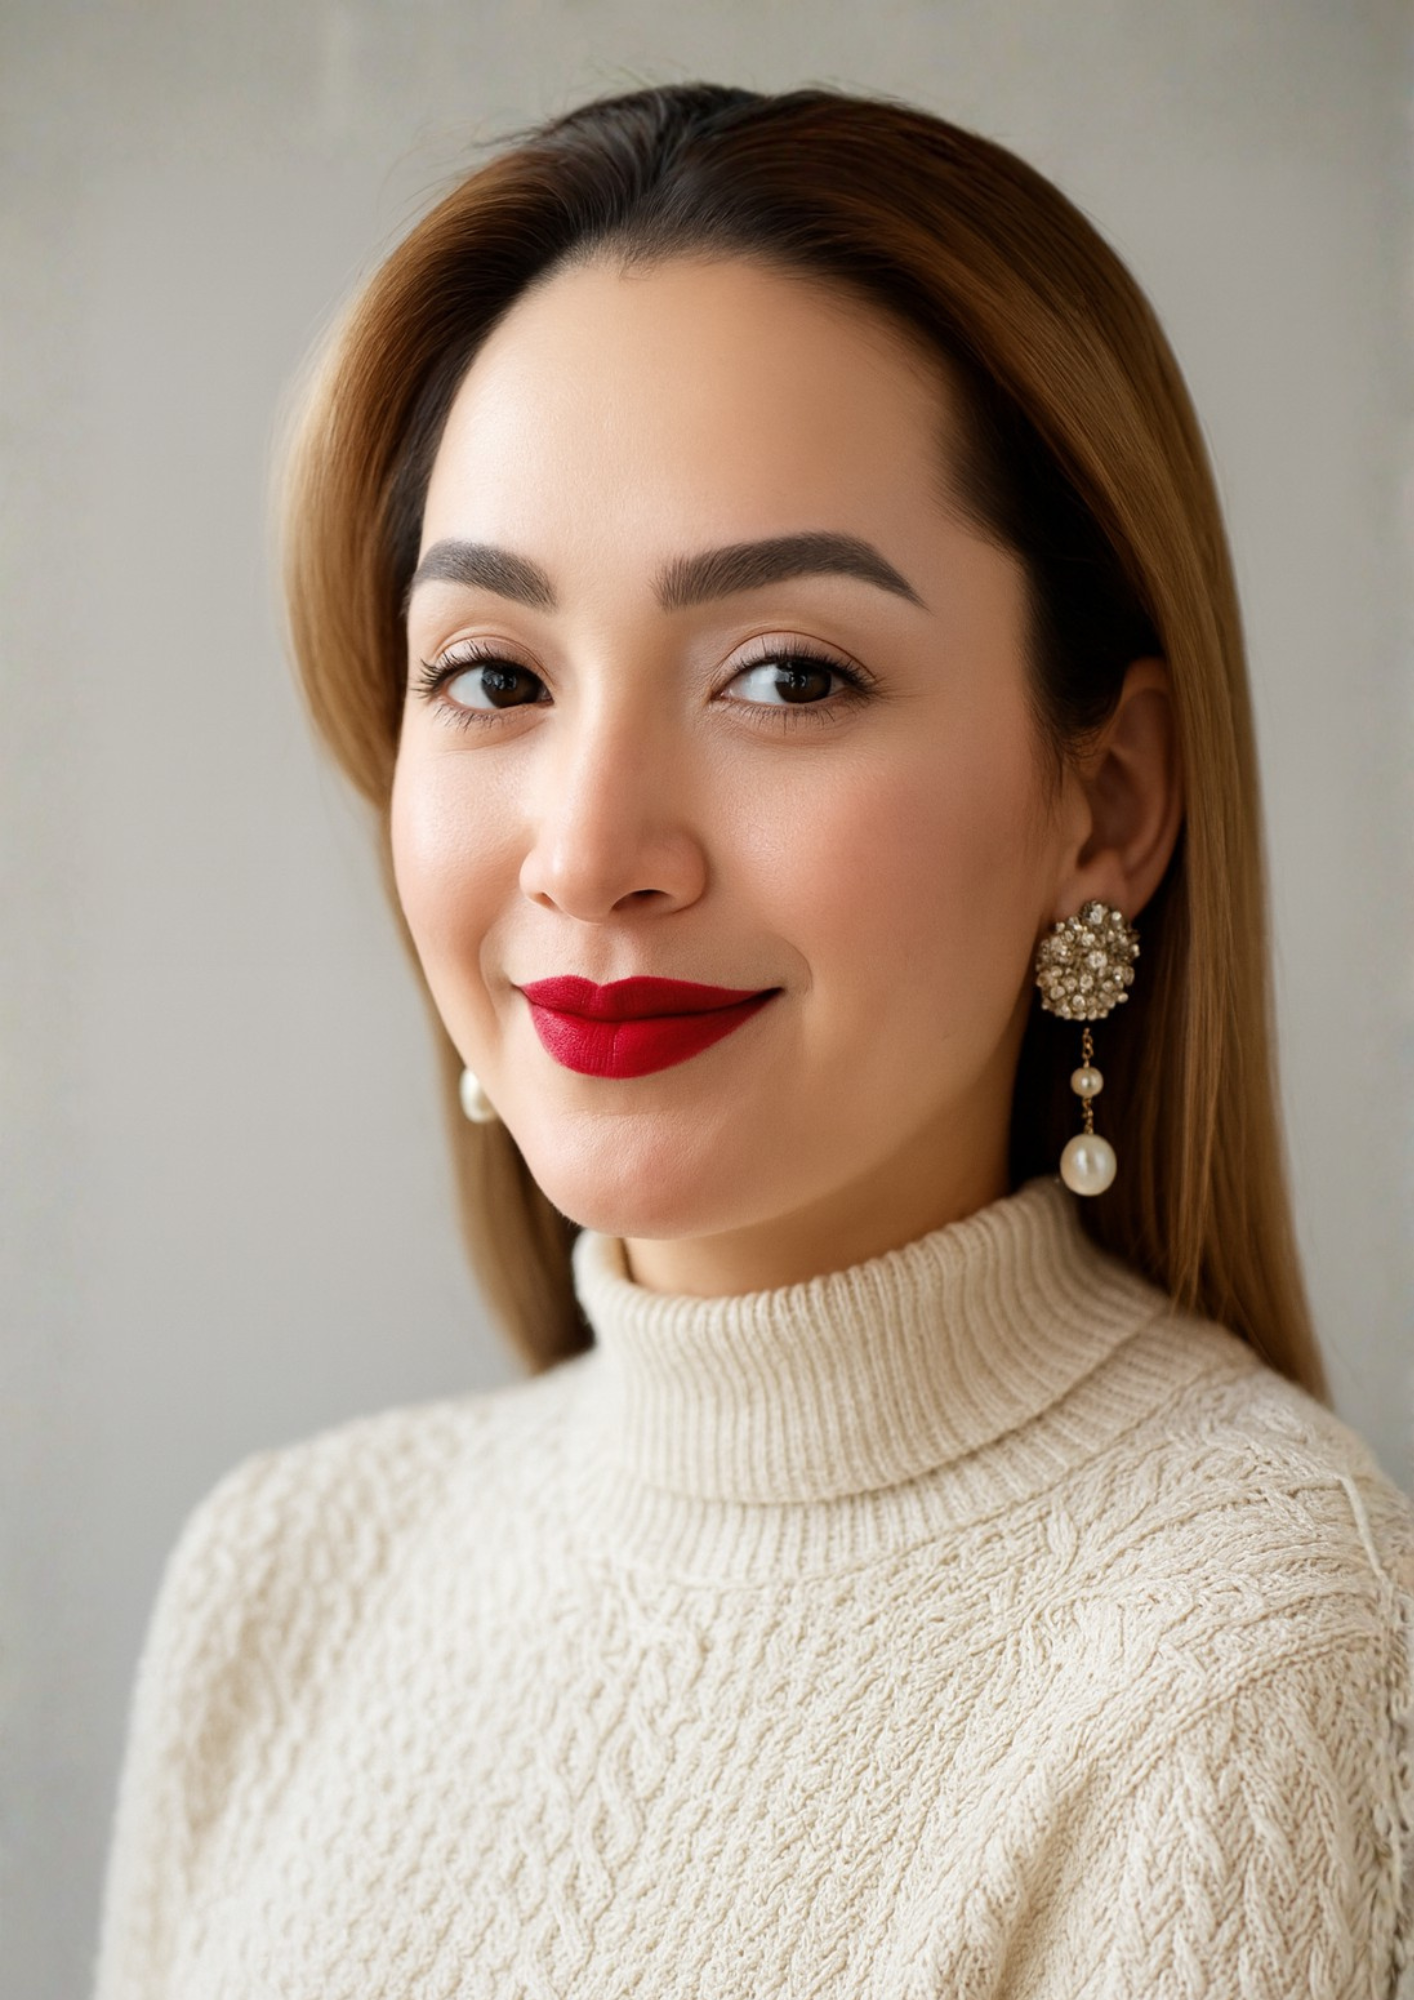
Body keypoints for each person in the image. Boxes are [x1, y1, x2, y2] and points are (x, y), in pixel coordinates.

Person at [93, 81, 1413, 1998]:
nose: (590, 849)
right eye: (491, 675)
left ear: (1103, 800)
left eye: (786, 675)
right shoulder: (280, 1582)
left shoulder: (1253, 1663)